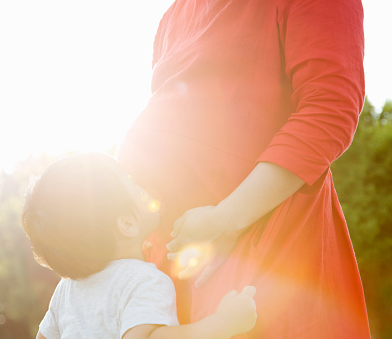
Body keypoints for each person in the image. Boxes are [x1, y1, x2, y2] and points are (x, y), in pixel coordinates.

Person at [116, 0, 371, 337]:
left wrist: (226, 219)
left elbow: (329, 108)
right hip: (173, 262)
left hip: (264, 250)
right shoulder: (175, 14)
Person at [21, 152, 257, 339]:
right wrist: (222, 325)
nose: (140, 185)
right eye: (130, 182)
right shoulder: (143, 280)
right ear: (127, 223)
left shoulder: (66, 290)